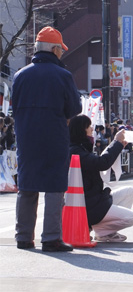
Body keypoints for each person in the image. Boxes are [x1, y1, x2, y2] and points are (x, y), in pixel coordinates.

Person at [13, 26, 81, 251]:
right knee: (54, 187)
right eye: (60, 49)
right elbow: (74, 108)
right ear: (53, 49)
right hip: (54, 137)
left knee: (27, 186)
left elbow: (15, 109)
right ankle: (51, 238)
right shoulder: (63, 75)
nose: (62, 53)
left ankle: (23, 237)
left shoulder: (20, 75)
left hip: (26, 138)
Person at [69, 115, 133, 242]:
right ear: (81, 130)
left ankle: (105, 231)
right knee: (132, 218)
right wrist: (116, 143)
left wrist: (118, 144)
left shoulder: (81, 148)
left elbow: (100, 162)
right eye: (88, 127)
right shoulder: (75, 151)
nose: (92, 129)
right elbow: (102, 163)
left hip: (95, 200)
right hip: (88, 205)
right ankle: (102, 231)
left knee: (129, 192)